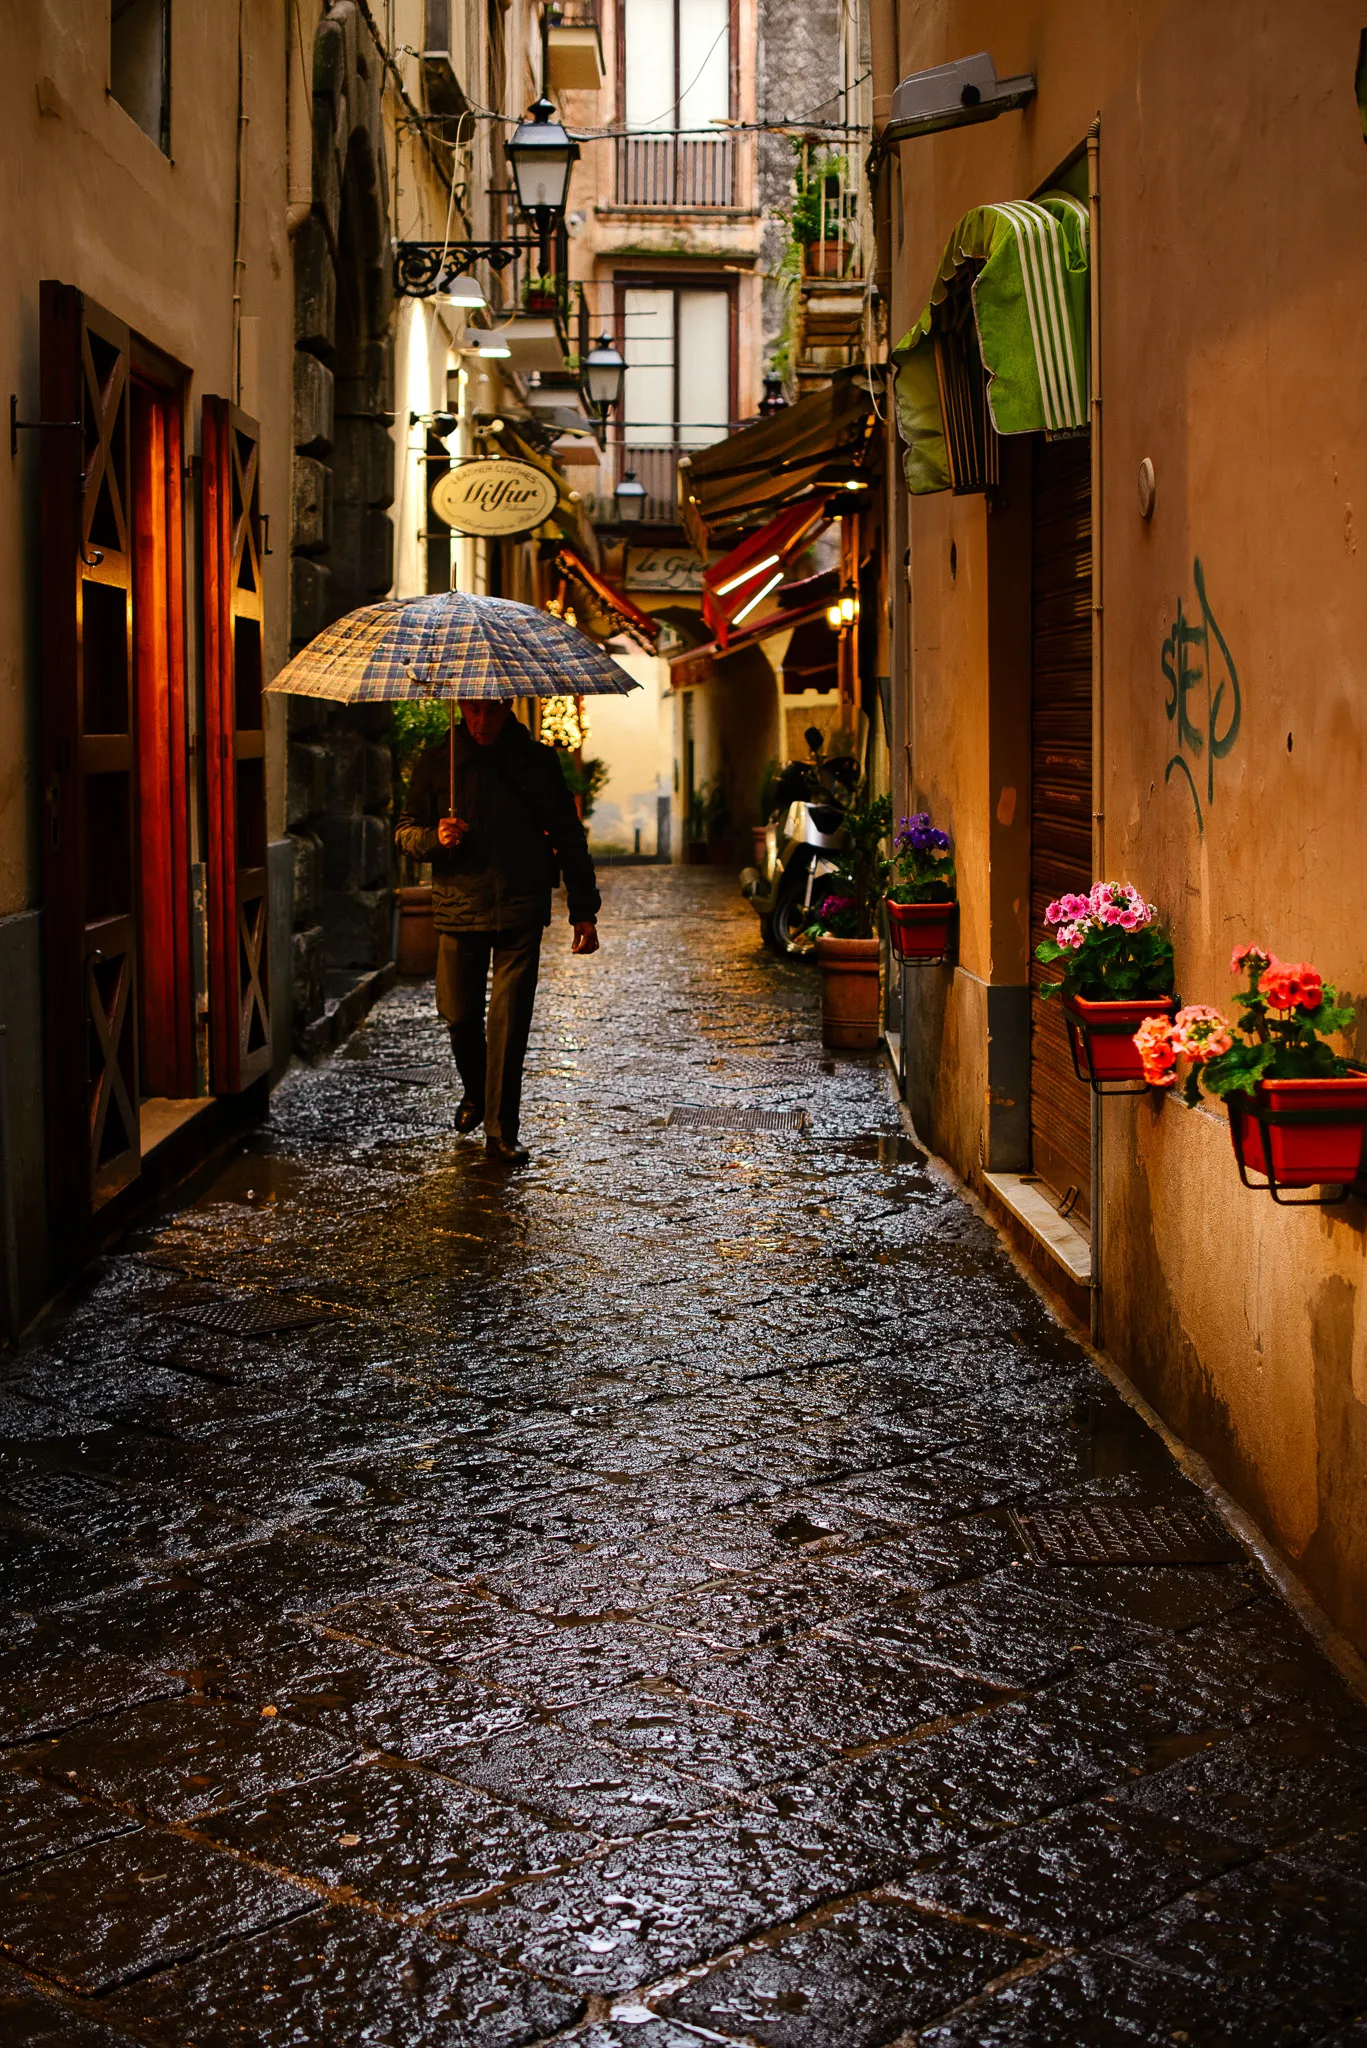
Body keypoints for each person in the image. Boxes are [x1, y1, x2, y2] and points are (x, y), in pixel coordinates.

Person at [395, 697, 600, 1163]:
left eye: (490, 710)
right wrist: (435, 838)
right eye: (472, 710)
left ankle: (501, 1129)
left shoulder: (537, 762)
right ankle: (476, 1092)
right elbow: (406, 831)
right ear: (461, 706)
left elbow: (568, 835)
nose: (481, 720)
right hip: (457, 906)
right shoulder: (436, 761)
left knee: (509, 1024)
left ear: (507, 706)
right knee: (459, 1014)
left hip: (519, 904)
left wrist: (583, 908)